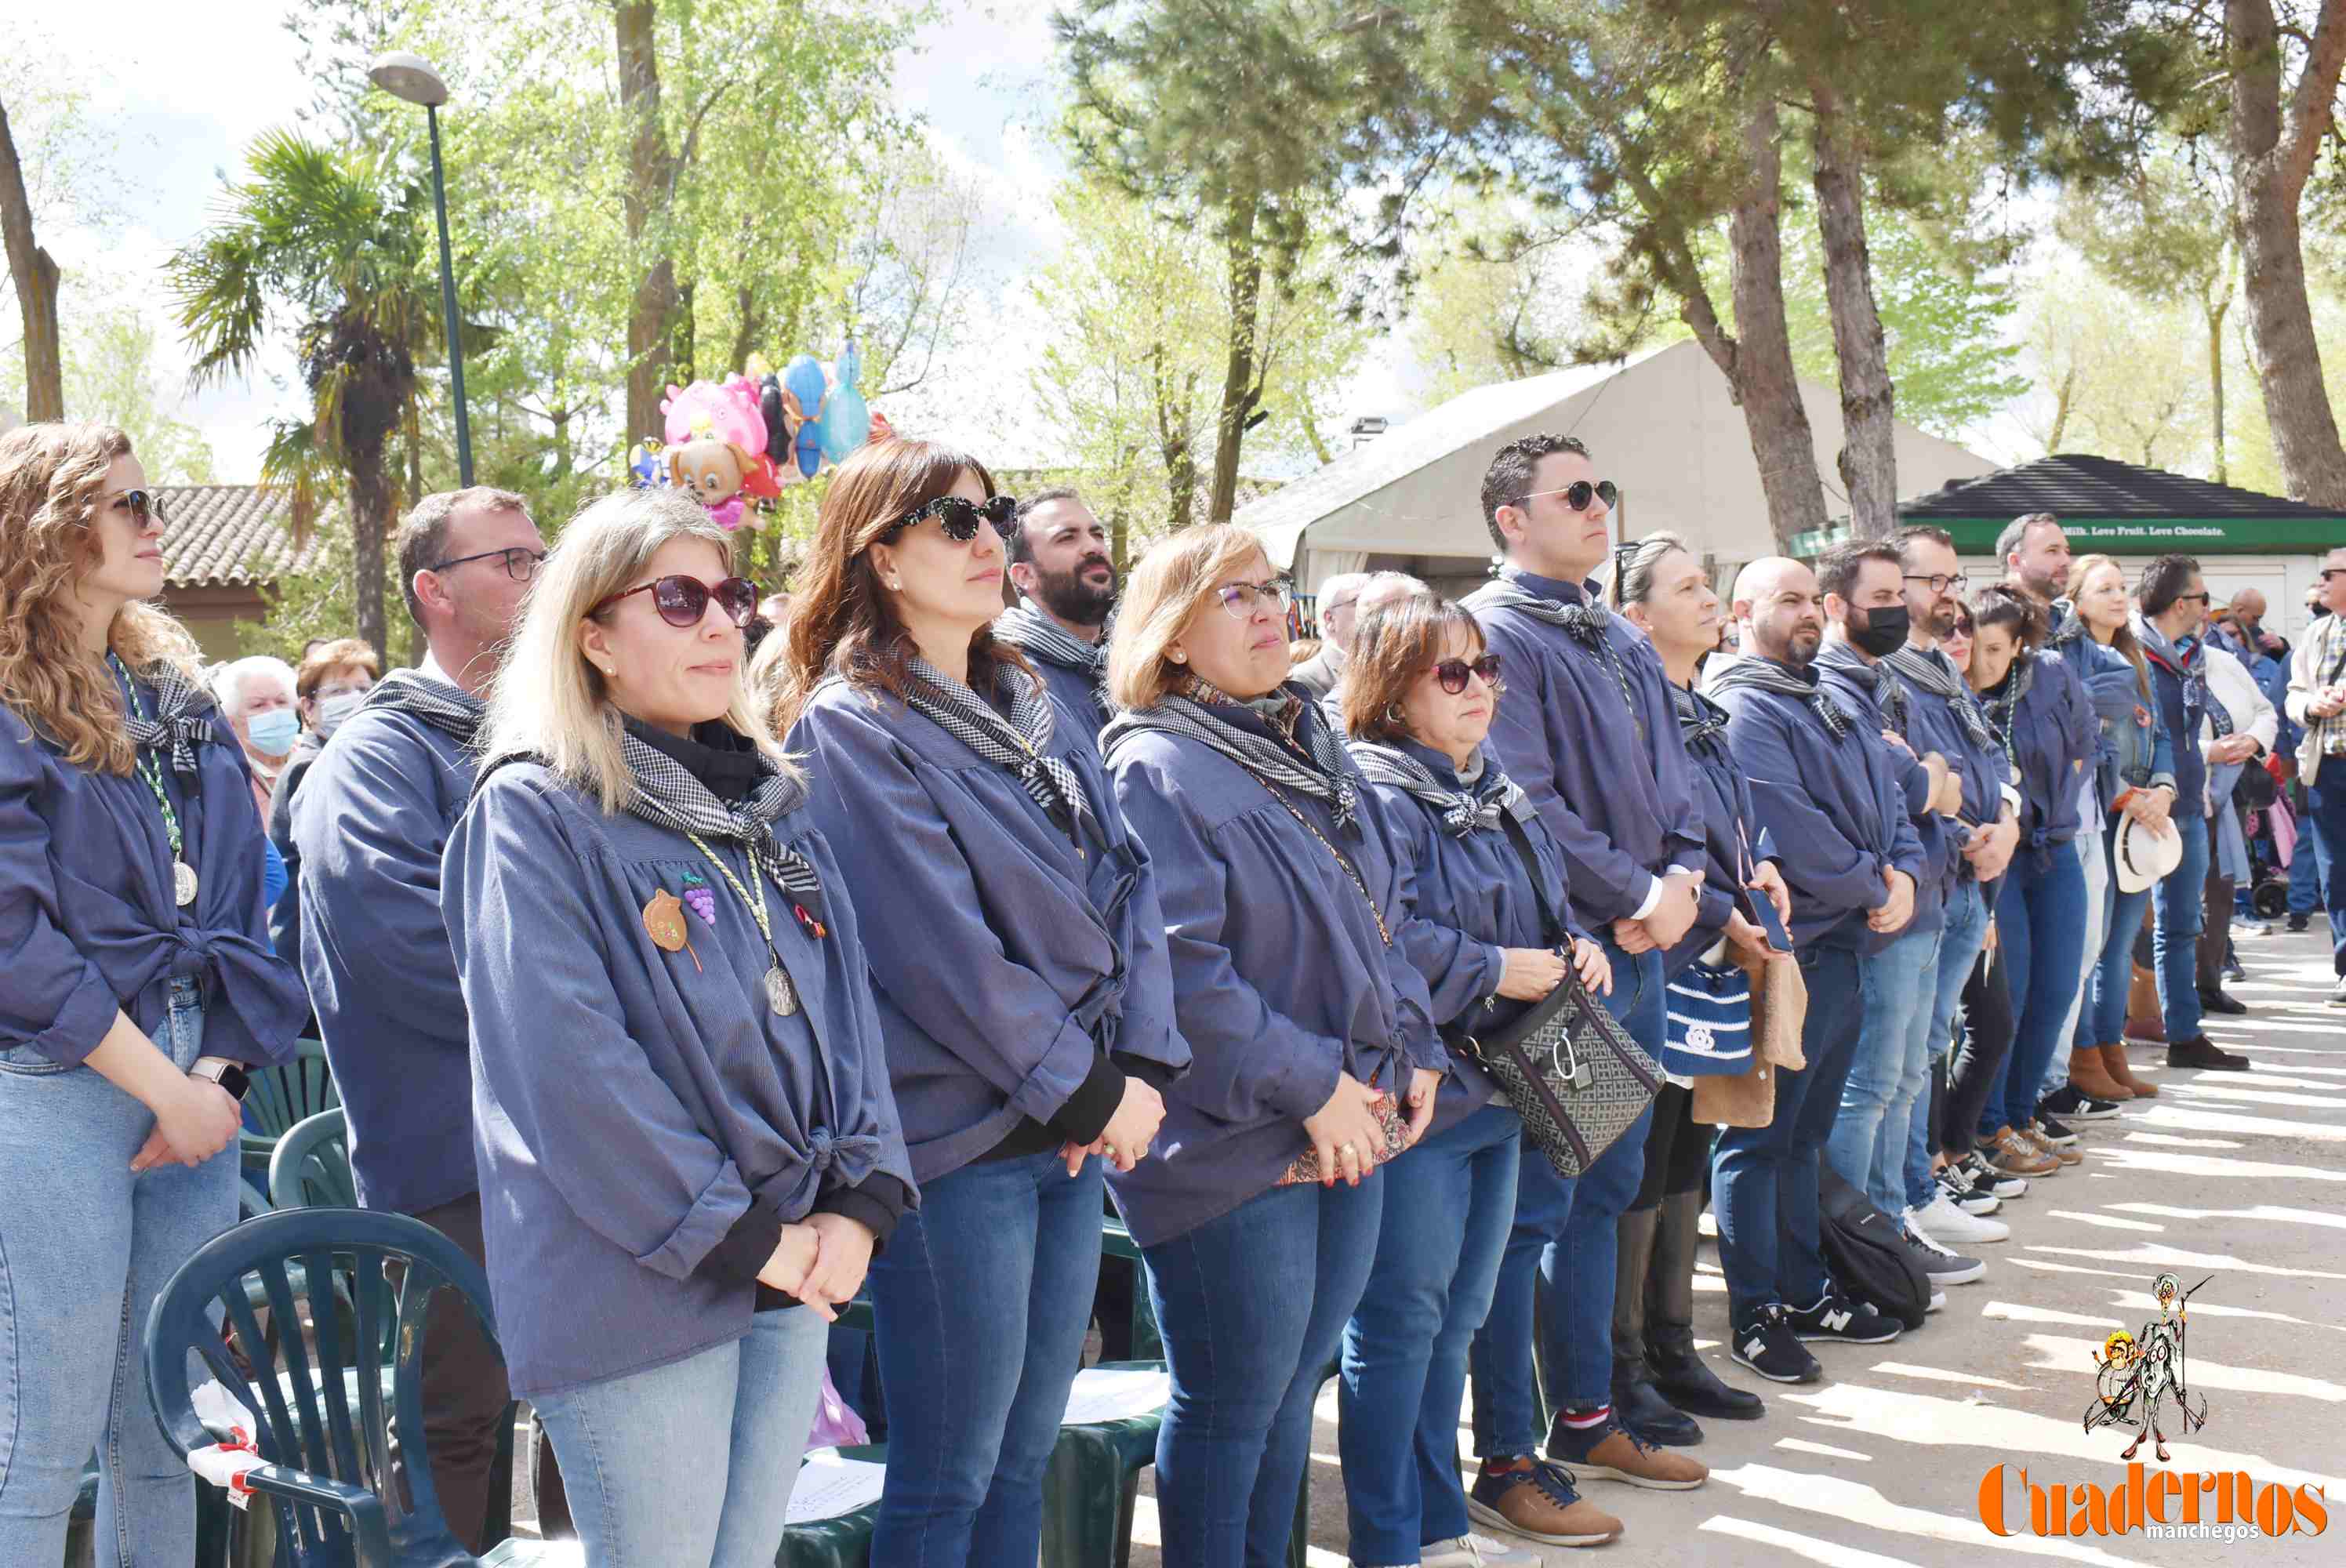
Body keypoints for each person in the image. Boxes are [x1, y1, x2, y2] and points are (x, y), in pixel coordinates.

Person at [441, 487, 909, 1566]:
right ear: (593, 635)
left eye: (731, 596)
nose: (721, 623)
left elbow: (851, 1021)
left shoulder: (770, 809)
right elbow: (572, 1076)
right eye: (679, 597)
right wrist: (749, 1238)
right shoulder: (536, 813)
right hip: (644, 1284)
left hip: (796, 1260)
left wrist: (863, 1201)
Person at [773, 439, 1183, 1567]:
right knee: (947, 1474)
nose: (987, 539)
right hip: (964, 1139)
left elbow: (1134, 882)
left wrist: (1139, 1070)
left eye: (991, 514)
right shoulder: (850, 724)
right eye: (953, 522)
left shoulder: (1033, 703)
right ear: (882, 557)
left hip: (1069, 1123)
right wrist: (1093, 1089)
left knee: (1020, 1451)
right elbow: (942, 956)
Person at [1100, 524, 1442, 1567]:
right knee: (1232, 1403)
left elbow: (1381, 914)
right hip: (1229, 1142)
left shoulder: (1302, 742)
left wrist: (1414, 1043)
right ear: (1169, 635)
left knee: (1295, 1392)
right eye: (1231, 596)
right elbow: (1184, 973)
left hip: (1350, 1113)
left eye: (1270, 589)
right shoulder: (1153, 764)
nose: (1266, 611)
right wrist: (1315, 1086)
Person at [0, 423, 306, 1563]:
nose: (153, 522)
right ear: (46, 528)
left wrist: (215, 1077)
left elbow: (245, 901)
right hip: (56, 1080)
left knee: (168, 1427)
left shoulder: (170, 691)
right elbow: (13, 940)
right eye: (126, 504)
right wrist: (166, 1093)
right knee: (43, 1439)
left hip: (194, 1070)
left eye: (150, 502)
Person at [292, 485, 554, 1550]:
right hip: (453, 1158)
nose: (537, 579)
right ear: (432, 592)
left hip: (567, 1139)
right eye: (510, 562)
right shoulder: (380, 755)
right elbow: (401, 946)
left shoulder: (559, 735)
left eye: (544, 556)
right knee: (456, 1425)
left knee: (599, 1413)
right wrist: (583, 1025)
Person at [1338, 590, 1621, 1562]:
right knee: (1400, 1322)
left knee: (1456, 1319)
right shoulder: (1375, 787)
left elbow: (1543, 901)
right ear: (1390, 683)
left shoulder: (1490, 781)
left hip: (1509, 1083)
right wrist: (1494, 967)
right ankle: (1390, 1536)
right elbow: (1382, 933)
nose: (1478, 689)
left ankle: (1440, 1522)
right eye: (1450, 672)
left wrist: (1577, 945)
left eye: (1485, 668)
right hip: (1428, 1092)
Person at [1462, 433, 1709, 1496]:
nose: (1598, 505)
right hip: (1575, 962)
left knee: (1608, 1185)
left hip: (1645, 948)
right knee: (1541, 1206)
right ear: (1514, 520)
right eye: (1574, 494)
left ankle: (1588, 1413)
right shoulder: (1496, 635)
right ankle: (1509, 1448)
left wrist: (1686, 878)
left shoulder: (1610, 631)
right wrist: (1640, 897)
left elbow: (1681, 776)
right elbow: (1527, 802)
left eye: (1603, 488)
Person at [1708, 556, 1918, 1380]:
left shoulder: (1831, 694)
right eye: (1784, 599)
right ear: (1742, 609)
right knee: (1756, 1137)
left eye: (1807, 600)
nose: (1803, 613)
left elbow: (1890, 803)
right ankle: (1753, 1311)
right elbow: (1788, 827)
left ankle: (1803, 1289)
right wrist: (1876, 882)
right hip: (1791, 947)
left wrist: (1902, 869)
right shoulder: (1744, 703)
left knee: (1805, 1136)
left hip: (1848, 945)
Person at [1611, 534, 1783, 1426]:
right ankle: (1624, 1365)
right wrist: (1721, 907)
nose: (1710, 596)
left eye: (1708, 580)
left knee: (1685, 1148)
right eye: (1687, 586)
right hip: (1665, 954)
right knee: (1639, 1162)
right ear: (1636, 616)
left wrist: (1767, 868)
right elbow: (1650, 840)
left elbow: (1730, 820)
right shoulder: (1634, 710)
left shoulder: (1700, 705)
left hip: (1713, 951)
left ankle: (1673, 1345)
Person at [1812, 539, 2010, 1270]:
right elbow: (1916, 787)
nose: (1899, 608)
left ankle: (1896, 1211)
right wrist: (1931, 780)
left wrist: (1944, 785)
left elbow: (1958, 770)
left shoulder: (1897, 676)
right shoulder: (1837, 682)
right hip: (1893, 902)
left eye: (1908, 592)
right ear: (1840, 606)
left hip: (1937, 886)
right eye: (1885, 596)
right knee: (1872, 1081)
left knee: (1907, 1070)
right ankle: (1867, 1236)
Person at [1871, 528, 2018, 1247]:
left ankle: (1920, 1189)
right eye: (1934, 582)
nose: (1950, 595)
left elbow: (1992, 757)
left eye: (1954, 580)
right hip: (1932, 877)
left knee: (1930, 1045)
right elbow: (1910, 787)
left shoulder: (1943, 667)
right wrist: (1969, 833)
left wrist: (2010, 822)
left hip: (1969, 884)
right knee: (1898, 1064)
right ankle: (1902, 1200)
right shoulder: (1884, 672)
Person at [1966, 585, 2101, 1172]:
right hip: (1995, 859)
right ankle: (1989, 1125)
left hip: (2053, 846)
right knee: (2009, 994)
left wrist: (2050, 807)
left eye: (1995, 649)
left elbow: (2081, 746)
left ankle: (2022, 1114)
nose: (1981, 662)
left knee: (2058, 987)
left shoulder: (2049, 676)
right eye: (1972, 647)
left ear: (2019, 645)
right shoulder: (1956, 690)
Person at [2055, 555, 2176, 1109]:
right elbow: (2085, 743)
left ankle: (2110, 1049)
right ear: (2076, 600)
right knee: (2090, 946)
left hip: (2140, 824)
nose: (2118, 596)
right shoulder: (2067, 661)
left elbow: (2164, 738)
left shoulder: (2136, 658)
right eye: (2104, 588)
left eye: (2122, 587)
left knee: (2121, 945)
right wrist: (2125, 794)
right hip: (2101, 818)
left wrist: (2164, 791)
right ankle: (2081, 1057)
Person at [2134, 555, 2253, 1070]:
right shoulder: (2131, 653)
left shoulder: (2197, 653)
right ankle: (2099, 1050)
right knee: (2119, 937)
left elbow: (2187, 735)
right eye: (2204, 598)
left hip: (2187, 805)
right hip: (2139, 812)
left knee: (2183, 926)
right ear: (2181, 603)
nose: (2210, 607)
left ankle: (2184, 1035)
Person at [265, 635, 378, 964]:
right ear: (309, 709)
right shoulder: (310, 768)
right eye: (339, 692)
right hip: (315, 953)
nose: (355, 699)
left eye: (363, 688)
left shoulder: (355, 759)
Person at [995, 486, 1118, 737]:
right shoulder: (1012, 681)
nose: (1094, 547)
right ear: (1025, 575)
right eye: (1067, 538)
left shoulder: (1145, 654)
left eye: (1097, 535)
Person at [2197, 632, 2275, 1015]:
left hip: (2230, 794)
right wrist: (2210, 751)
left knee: (2220, 892)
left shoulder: (2222, 661)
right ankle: (2169, 996)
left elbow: (2265, 711)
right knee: (2171, 904)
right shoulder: (2143, 660)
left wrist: (2254, 741)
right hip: (2178, 794)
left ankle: (2210, 982)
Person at [2286, 546, 2346, 1000]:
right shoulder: (2316, 634)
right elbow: (2293, 694)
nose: (2320, 581)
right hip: (2327, 769)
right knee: (2336, 872)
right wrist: (2310, 705)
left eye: (2329, 573)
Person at [212, 653, 300, 819]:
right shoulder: (226, 775)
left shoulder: (316, 756)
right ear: (231, 722)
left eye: (281, 701)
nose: (275, 711)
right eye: (258, 705)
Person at [1291, 570, 1370, 697]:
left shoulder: (1387, 668)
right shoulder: (1305, 678)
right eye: (1358, 602)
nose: (1372, 609)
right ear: (1330, 619)